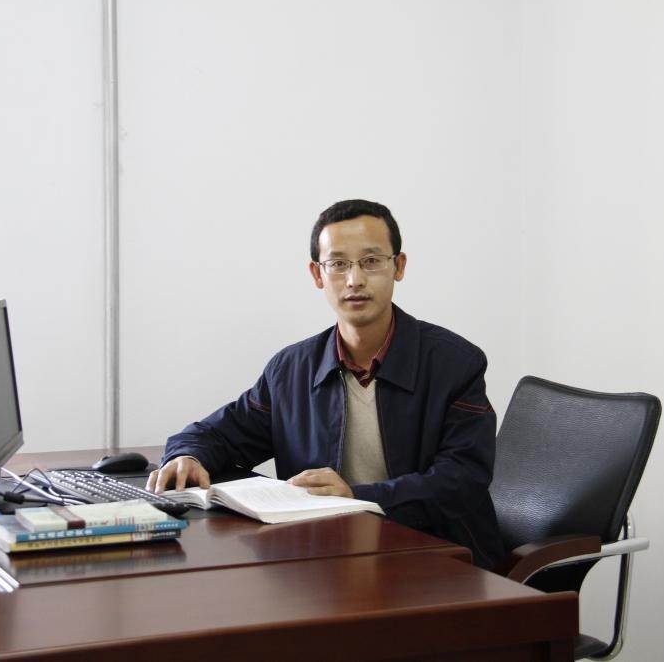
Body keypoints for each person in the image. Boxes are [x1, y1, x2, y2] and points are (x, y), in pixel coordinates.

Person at [147, 199, 503, 568]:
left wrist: (358, 497)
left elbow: (463, 478)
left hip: (438, 559)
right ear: (318, 274)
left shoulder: (454, 363)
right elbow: (217, 434)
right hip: (325, 560)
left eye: (371, 261)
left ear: (398, 266)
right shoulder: (290, 370)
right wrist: (187, 456)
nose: (355, 280)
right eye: (338, 264)